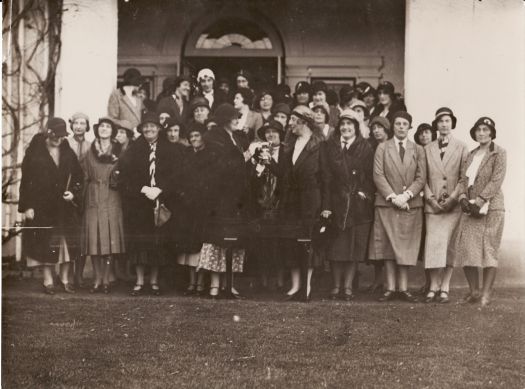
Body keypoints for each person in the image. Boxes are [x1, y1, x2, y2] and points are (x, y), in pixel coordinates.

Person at [118, 112, 184, 296]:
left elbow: (177, 176)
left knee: (158, 243)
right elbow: (125, 175)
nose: (149, 129)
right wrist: (142, 189)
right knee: (140, 243)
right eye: (145, 127)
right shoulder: (134, 149)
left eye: (152, 126)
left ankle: (154, 281)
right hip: (139, 204)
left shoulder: (170, 149)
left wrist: (161, 189)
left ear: (159, 129)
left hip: (161, 202)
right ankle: (139, 281)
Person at [19, 118, 83, 294]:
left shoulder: (68, 151)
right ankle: (48, 281)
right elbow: (26, 181)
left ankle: (64, 279)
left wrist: (74, 194)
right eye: (56, 136)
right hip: (42, 206)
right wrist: (27, 206)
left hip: (64, 206)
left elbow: (78, 176)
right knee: (46, 243)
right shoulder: (34, 152)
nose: (59, 140)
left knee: (65, 245)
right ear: (48, 133)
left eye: (62, 137)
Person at [370, 111, 426, 302]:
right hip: (388, 203)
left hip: (410, 204)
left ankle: (403, 288)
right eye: (398, 124)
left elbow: (421, 177)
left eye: (405, 124)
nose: (401, 127)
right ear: (392, 127)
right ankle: (390, 288)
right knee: (388, 247)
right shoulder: (382, 148)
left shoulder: (418, 149)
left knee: (406, 246)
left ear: (409, 127)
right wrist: (393, 197)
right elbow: (378, 175)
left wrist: (407, 196)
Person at [320, 110, 375, 301]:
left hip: (357, 204)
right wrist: (326, 204)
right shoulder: (330, 147)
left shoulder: (365, 147)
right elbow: (326, 178)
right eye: (342, 124)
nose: (346, 128)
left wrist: (364, 193)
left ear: (356, 127)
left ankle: (348, 286)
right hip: (336, 202)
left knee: (352, 248)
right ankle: (336, 286)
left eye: (350, 124)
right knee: (336, 248)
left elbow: (370, 176)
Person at [198, 103, 250, 299]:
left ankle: (229, 283)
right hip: (218, 198)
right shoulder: (213, 137)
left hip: (235, 198)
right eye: (234, 117)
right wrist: (245, 157)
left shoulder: (235, 137)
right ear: (225, 119)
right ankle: (214, 283)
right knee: (216, 239)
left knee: (233, 239)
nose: (237, 120)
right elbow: (218, 167)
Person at [456, 117, 506, 307]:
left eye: (486, 129)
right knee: (468, 249)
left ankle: (486, 294)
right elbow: (462, 180)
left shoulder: (499, 153)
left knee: (488, 250)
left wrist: (480, 200)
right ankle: (474, 291)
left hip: (491, 207)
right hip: (470, 207)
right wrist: (462, 198)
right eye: (479, 130)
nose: (482, 133)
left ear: (492, 132)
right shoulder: (470, 155)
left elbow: (496, 180)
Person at [422, 108, 469, 304]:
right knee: (433, 244)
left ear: (452, 123)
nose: (444, 124)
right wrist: (431, 199)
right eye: (440, 121)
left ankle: (445, 286)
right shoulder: (427, 148)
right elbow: (421, 177)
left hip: (453, 205)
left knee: (450, 245)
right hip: (433, 206)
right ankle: (433, 285)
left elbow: (463, 177)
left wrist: (453, 198)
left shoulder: (461, 147)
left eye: (447, 120)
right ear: (436, 124)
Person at [280, 105, 325, 301]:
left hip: (311, 200)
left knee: (308, 242)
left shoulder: (320, 145)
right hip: (291, 201)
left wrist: (325, 205)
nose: (289, 124)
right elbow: (284, 174)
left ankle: (305, 286)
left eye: (292, 120)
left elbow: (326, 177)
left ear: (303, 122)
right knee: (291, 242)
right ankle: (295, 285)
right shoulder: (290, 145)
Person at [81, 117, 125, 294]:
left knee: (109, 240)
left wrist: (118, 179)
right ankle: (97, 279)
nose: (104, 129)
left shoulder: (119, 151)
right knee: (95, 240)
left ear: (112, 131)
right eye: (102, 127)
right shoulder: (89, 151)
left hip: (112, 196)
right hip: (93, 196)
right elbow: (83, 174)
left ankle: (107, 279)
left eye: (108, 127)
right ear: (97, 130)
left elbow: (125, 173)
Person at [175, 122, 218, 296]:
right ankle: (192, 281)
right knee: (188, 244)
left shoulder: (210, 155)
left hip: (203, 205)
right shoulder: (186, 154)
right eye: (191, 137)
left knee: (200, 243)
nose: (194, 139)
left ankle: (200, 282)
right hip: (187, 205)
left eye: (197, 136)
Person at [249, 120, 287, 291]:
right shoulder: (259, 152)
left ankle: (279, 280)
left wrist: (271, 161)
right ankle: (263, 279)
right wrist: (260, 165)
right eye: (267, 132)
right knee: (262, 242)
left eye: (274, 132)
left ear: (280, 135)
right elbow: (253, 178)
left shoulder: (287, 151)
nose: (270, 135)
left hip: (280, 201)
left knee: (279, 242)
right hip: (262, 201)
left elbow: (286, 176)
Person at [365, 116, 393, 293]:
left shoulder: (393, 146)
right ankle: (377, 278)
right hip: (371, 196)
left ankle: (391, 281)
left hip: (390, 197)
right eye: (374, 128)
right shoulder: (369, 147)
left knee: (390, 239)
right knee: (376, 239)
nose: (377, 131)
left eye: (380, 127)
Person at [413, 122, 437, 295]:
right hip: (420, 201)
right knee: (424, 242)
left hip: (434, 199)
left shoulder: (436, 151)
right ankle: (428, 280)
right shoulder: (417, 151)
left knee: (433, 240)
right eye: (421, 133)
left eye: (427, 132)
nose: (424, 136)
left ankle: (434, 283)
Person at [107, 68, 144, 133]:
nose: (139, 87)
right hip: (124, 134)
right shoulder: (116, 95)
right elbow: (112, 119)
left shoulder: (138, 97)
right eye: (138, 85)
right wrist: (125, 125)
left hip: (138, 135)